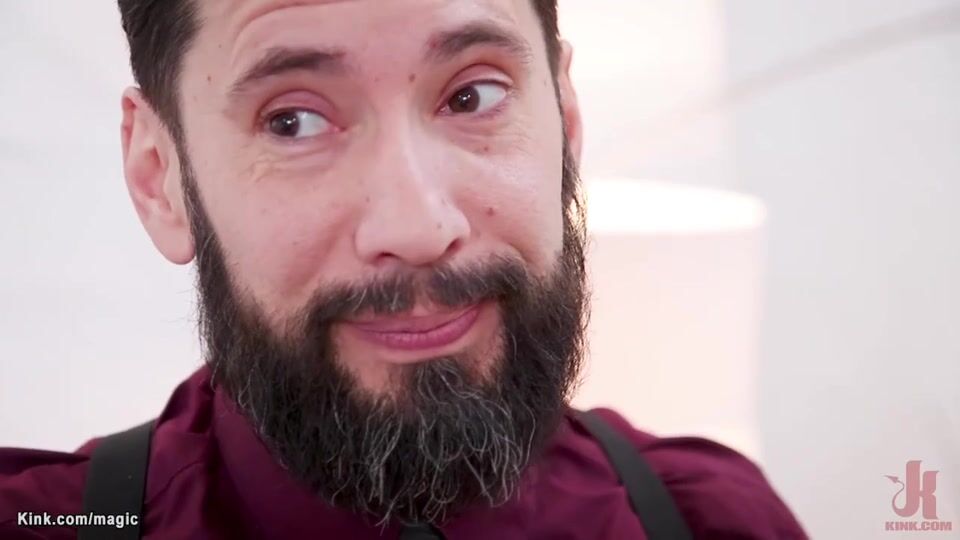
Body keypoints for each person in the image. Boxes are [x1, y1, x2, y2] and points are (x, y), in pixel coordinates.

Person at [0, 1, 808, 538]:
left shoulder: (716, 521)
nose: (419, 229)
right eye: (292, 121)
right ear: (160, 177)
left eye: (472, 97)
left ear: (565, 118)